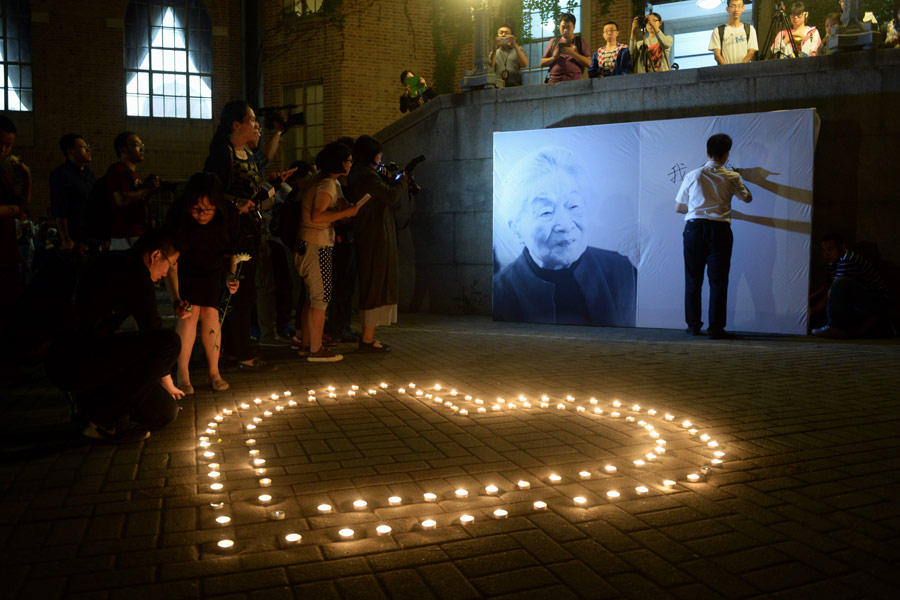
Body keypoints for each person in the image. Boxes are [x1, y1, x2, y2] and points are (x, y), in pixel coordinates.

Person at [42, 227, 185, 442]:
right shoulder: (136, 273)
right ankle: (105, 420)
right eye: (170, 265)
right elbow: (154, 333)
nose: (166, 273)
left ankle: (90, 406)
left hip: (66, 361)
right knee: (171, 342)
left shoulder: (111, 260)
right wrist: (167, 381)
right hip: (75, 362)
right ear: (156, 255)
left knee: (164, 412)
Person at [493, 147, 636, 327]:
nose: (566, 225)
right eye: (546, 212)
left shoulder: (622, 271)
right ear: (516, 230)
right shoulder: (499, 293)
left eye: (573, 206)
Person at [204, 100, 277, 372]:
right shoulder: (221, 154)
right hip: (231, 234)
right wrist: (236, 203)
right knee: (236, 292)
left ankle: (235, 349)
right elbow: (209, 191)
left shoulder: (245, 153)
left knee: (245, 293)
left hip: (249, 231)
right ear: (236, 125)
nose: (257, 126)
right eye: (252, 120)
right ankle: (237, 353)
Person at [164, 172, 239, 394]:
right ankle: (183, 374)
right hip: (185, 269)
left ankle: (214, 372)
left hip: (213, 269)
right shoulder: (178, 213)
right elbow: (170, 261)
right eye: (196, 208)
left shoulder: (228, 213)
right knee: (188, 314)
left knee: (211, 313)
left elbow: (231, 251)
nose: (201, 214)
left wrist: (231, 276)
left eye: (208, 209)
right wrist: (176, 298)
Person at [675, 134, 752, 339]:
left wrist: (696, 209)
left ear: (707, 152)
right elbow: (747, 198)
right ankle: (716, 328)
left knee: (693, 279)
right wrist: (738, 177)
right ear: (727, 155)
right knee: (718, 281)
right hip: (719, 230)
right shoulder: (732, 177)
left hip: (694, 229)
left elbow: (678, 207)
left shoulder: (693, 175)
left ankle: (693, 325)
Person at [295, 142, 360, 362]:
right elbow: (317, 216)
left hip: (307, 244)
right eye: (348, 160)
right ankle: (316, 349)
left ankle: (306, 344)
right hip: (316, 244)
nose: (351, 164)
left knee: (311, 297)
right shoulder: (327, 184)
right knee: (321, 297)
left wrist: (344, 209)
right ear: (339, 163)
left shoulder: (323, 179)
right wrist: (347, 213)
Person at [347, 135, 408, 352]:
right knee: (374, 283)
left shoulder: (362, 173)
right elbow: (390, 197)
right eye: (379, 155)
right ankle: (367, 339)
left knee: (376, 282)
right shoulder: (365, 175)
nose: (381, 159)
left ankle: (369, 337)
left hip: (373, 232)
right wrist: (402, 182)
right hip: (373, 235)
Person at [811, 233, 889, 338]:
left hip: (876, 300)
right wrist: (808, 299)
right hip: (860, 299)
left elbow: (832, 291)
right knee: (837, 287)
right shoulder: (833, 262)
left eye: (830, 249)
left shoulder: (847, 259)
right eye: (823, 250)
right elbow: (826, 286)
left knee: (839, 283)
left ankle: (835, 326)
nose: (826, 254)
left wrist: (811, 311)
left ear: (842, 247)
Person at [105, 131, 160, 250]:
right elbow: (121, 199)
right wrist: (146, 188)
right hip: (124, 235)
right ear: (123, 150)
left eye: (142, 145)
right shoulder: (117, 169)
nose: (142, 149)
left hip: (137, 232)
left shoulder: (134, 174)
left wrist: (150, 191)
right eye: (136, 145)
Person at [0, 115, 30, 331]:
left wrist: (27, 179)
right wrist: (13, 210)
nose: (3, 150)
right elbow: (17, 210)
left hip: (6, 248)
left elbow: (22, 211)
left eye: (8, 146)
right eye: (0, 144)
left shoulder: (3, 172)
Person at [49, 133, 96, 251]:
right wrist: (66, 239)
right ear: (70, 151)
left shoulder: (89, 175)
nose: (88, 150)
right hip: (74, 239)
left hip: (91, 237)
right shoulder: (61, 174)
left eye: (88, 146)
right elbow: (60, 208)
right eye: (83, 147)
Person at [541, 12, 591, 83]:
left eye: (568, 27)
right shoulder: (553, 42)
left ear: (574, 27)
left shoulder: (580, 42)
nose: (565, 30)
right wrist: (554, 57)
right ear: (559, 27)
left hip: (574, 81)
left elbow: (588, 63)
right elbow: (542, 63)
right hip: (554, 81)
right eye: (563, 27)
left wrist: (572, 53)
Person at [709, 0, 759, 65]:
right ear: (727, 9)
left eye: (739, 6)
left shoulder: (750, 29)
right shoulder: (718, 31)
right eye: (733, 6)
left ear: (743, 8)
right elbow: (717, 55)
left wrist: (740, 67)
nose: (736, 9)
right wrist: (728, 69)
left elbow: (751, 52)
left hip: (744, 70)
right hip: (725, 70)